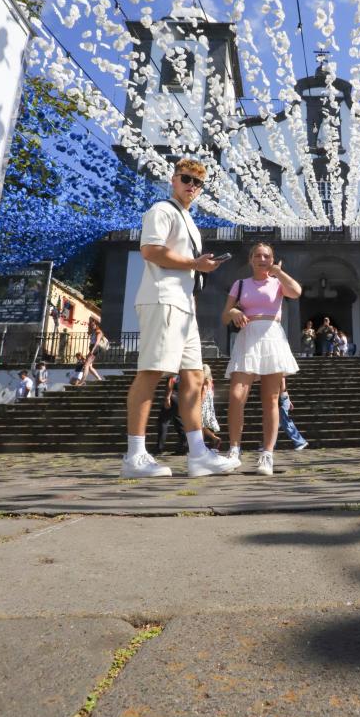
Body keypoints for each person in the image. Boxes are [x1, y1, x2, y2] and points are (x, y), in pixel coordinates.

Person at [123, 157, 235, 479]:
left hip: (184, 307)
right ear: (174, 179)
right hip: (162, 299)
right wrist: (194, 264)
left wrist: (196, 275)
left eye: (198, 183)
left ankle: (198, 454)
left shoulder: (189, 221)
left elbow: (189, 269)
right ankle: (135, 455)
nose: (192, 186)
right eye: (186, 179)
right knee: (152, 372)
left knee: (195, 377)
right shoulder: (162, 210)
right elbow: (151, 251)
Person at [222, 241, 301, 476]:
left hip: (272, 336)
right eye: (258, 255)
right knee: (237, 395)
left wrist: (279, 272)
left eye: (267, 256)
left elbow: (296, 292)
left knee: (271, 399)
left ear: (272, 259)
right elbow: (225, 316)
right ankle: (234, 450)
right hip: (248, 337)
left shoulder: (278, 283)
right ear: (251, 259)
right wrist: (235, 311)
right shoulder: (240, 284)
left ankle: (267, 454)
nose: (263, 259)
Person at [155, 375, 186, 455]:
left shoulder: (174, 373)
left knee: (163, 422)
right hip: (179, 399)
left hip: (173, 398)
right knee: (179, 423)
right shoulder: (183, 373)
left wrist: (167, 398)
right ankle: (184, 447)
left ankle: (159, 448)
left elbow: (170, 382)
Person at [278, 377, 308, 450]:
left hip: (280, 398)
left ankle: (300, 442)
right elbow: (284, 388)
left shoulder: (279, 372)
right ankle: (268, 445)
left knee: (285, 422)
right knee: (275, 423)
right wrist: (288, 400)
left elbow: (283, 385)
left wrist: (280, 401)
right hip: (283, 397)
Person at [201, 365, 222, 451]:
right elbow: (212, 394)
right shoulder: (210, 381)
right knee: (201, 425)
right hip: (209, 404)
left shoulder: (205, 381)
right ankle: (213, 439)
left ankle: (211, 440)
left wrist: (200, 403)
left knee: (200, 425)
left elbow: (204, 392)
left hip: (203, 404)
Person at [80, 316, 105, 384]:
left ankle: (82, 380)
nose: (92, 325)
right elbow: (88, 332)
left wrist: (92, 350)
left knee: (86, 365)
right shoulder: (93, 331)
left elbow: (97, 342)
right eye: (91, 324)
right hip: (92, 347)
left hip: (95, 348)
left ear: (96, 324)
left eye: (93, 324)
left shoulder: (98, 332)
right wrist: (89, 325)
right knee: (89, 366)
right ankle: (99, 378)